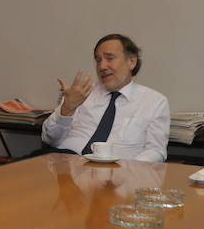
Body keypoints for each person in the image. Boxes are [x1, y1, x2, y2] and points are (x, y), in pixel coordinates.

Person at [41, 33, 170, 162]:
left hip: (118, 169)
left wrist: (129, 169)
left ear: (131, 62)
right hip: (64, 164)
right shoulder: (81, 93)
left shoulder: (155, 102)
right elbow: (49, 139)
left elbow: (156, 151)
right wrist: (67, 108)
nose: (102, 66)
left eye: (110, 58)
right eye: (98, 60)